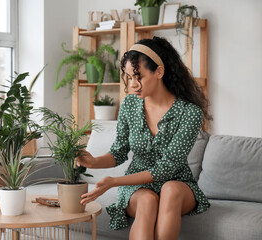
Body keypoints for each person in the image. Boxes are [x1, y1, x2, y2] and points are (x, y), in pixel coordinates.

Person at [76, 36, 212, 240]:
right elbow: (119, 152)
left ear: (159, 71)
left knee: (171, 189)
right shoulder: (130, 105)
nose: (133, 85)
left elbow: (166, 168)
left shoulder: (190, 113)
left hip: (177, 182)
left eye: (139, 77)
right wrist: (93, 162)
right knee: (147, 201)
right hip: (137, 185)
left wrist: (114, 181)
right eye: (129, 77)